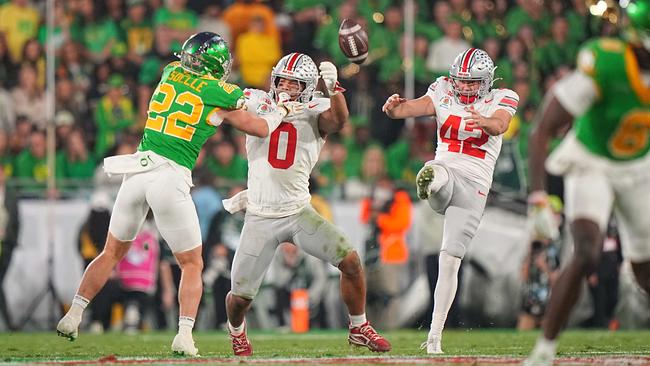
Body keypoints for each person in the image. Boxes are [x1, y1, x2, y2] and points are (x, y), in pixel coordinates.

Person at [56, 32, 297, 356]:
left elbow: (205, 96)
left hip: (137, 171)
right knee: (191, 264)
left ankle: (73, 315)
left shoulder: (171, 72)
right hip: (170, 176)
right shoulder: (218, 90)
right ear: (215, 65)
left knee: (110, 253)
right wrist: (280, 109)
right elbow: (260, 128)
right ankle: (184, 334)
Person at [222, 52, 391, 356]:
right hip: (260, 214)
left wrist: (335, 88)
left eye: (294, 82)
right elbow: (229, 106)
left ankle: (358, 327)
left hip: (299, 212)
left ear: (309, 86)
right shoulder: (258, 101)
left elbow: (339, 120)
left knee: (351, 261)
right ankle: (237, 332)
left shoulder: (316, 108)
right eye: (282, 79)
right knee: (240, 298)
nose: (285, 85)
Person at [524, 2, 650, 364]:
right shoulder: (608, 63)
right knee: (587, 252)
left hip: (638, 166)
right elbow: (542, 130)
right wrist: (538, 197)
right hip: (591, 161)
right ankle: (544, 351)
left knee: (645, 270)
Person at [382, 47, 519, 353]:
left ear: (486, 81)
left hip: (475, 186)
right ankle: (430, 181)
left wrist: (485, 122)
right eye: (462, 81)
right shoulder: (443, 89)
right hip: (448, 169)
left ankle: (434, 337)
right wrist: (393, 109)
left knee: (450, 260)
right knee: (438, 172)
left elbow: (500, 124)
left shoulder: (502, 97)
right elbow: (409, 109)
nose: (466, 87)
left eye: (472, 82)